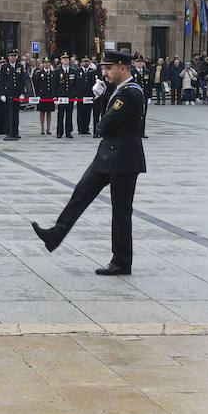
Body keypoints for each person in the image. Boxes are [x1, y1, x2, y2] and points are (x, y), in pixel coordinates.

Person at [31, 50, 145, 275]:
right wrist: (101, 98)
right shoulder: (120, 90)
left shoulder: (131, 93)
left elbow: (104, 125)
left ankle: (122, 261)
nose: (105, 72)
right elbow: (105, 121)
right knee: (81, 193)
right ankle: (56, 234)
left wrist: (103, 108)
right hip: (108, 156)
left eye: (109, 68)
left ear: (122, 68)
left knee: (120, 212)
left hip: (123, 159)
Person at [54, 54, 77, 137]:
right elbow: (55, 85)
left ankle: (68, 132)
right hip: (61, 96)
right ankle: (59, 132)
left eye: (67, 58)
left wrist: (75, 96)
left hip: (70, 96)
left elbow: (75, 84)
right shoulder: (57, 71)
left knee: (69, 115)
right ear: (61, 61)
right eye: (64, 58)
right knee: (60, 114)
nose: (66, 60)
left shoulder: (73, 71)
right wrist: (55, 96)